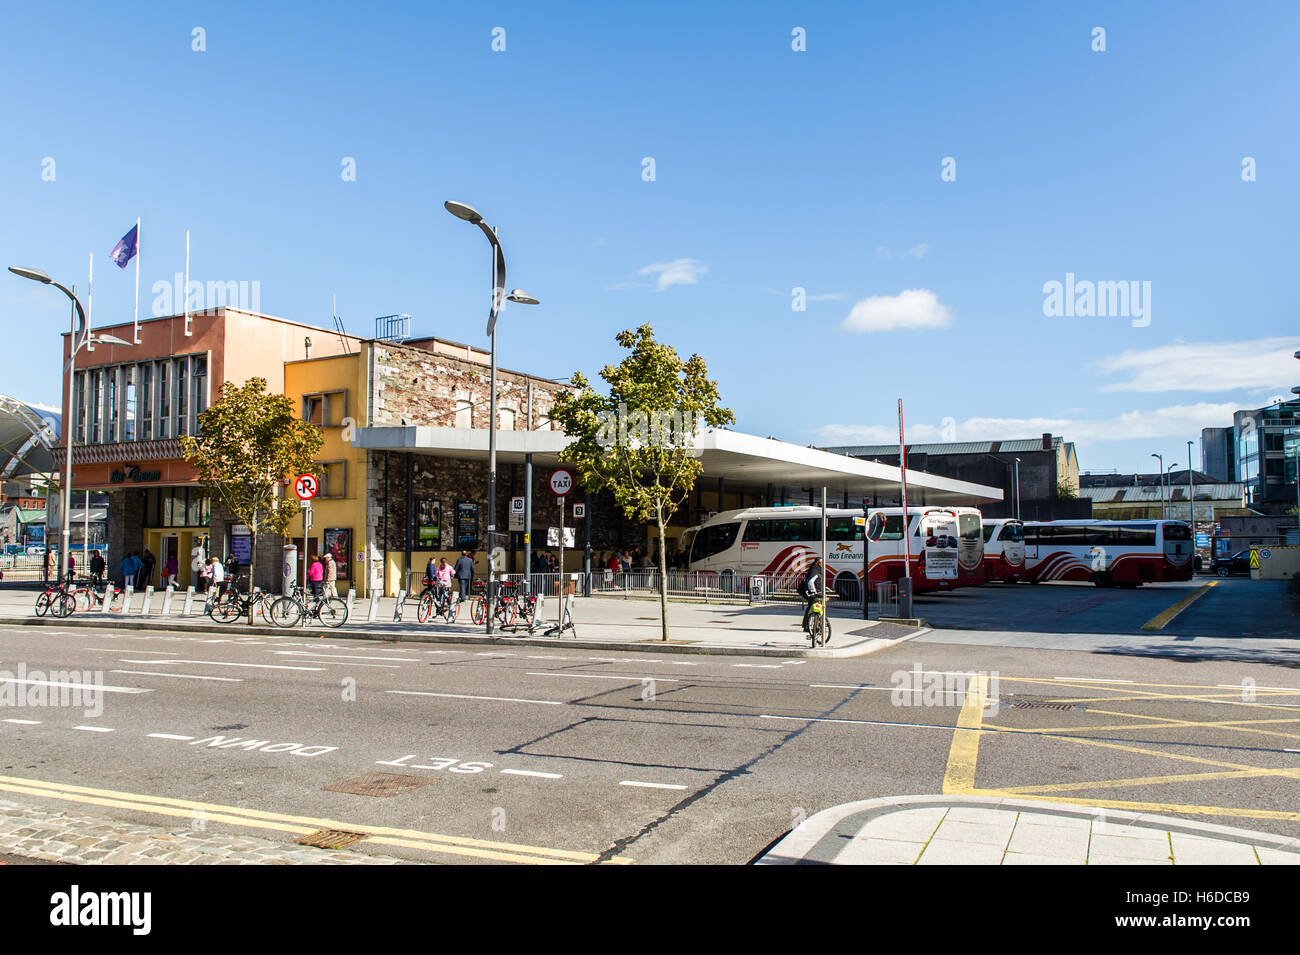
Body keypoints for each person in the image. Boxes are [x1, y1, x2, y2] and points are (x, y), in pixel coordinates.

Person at [800, 558, 824, 634]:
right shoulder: (814, 570)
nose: (822, 564)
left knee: (811, 608)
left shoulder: (817, 570)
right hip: (812, 593)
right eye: (821, 562)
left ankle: (809, 625)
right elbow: (810, 582)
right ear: (817, 562)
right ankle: (808, 625)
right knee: (811, 608)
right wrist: (814, 591)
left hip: (815, 592)